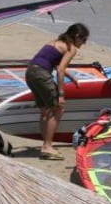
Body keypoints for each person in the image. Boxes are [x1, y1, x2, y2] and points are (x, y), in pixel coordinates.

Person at [26, 23, 89, 160]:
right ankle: (47, 146)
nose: (84, 43)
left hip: (30, 72)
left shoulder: (55, 42)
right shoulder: (71, 48)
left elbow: (52, 63)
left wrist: (71, 77)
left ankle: (45, 144)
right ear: (77, 36)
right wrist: (61, 94)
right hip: (42, 74)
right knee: (58, 109)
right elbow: (59, 70)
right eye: (83, 40)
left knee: (45, 110)